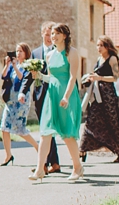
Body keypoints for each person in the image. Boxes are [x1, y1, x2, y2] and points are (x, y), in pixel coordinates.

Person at [31, 23, 84, 182]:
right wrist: (39, 76)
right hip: (52, 95)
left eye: (56, 34)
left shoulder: (72, 53)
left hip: (66, 95)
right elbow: (51, 78)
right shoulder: (49, 55)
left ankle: (77, 167)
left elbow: (72, 77)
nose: (53, 36)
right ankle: (40, 170)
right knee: (45, 133)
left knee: (67, 133)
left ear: (65, 36)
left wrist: (66, 96)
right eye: (52, 34)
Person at [79, 37, 119, 163]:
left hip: (108, 95)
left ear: (107, 46)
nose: (99, 48)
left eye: (102, 45)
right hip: (97, 95)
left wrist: (100, 78)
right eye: (97, 45)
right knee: (91, 120)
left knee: (112, 123)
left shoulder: (112, 58)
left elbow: (116, 77)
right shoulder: (98, 59)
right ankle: (82, 149)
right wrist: (91, 78)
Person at [0, 43, 39, 166]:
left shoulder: (28, 66)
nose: (18, 53)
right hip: (10, 101)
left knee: (20, 130)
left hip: (21, 101)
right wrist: (7, 65)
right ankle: (8, 155)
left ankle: (39, 148)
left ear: (26, 53)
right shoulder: (12, 65)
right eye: (17, 51)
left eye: (21, 51)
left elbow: (23, 79)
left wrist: (16, 67)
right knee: (4, 128)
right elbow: (3, 76)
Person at [32, 23, 62, 175]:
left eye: (52, 34)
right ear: (42, 34)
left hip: (55, 94)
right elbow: (28, 76)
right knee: (46, 129)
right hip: (39, 95)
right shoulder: (35, 53)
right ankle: (53, 163)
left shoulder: (59, 52)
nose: (50, 38)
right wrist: (23, 92)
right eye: (47, 34)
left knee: (48, 129)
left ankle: (45, 164)